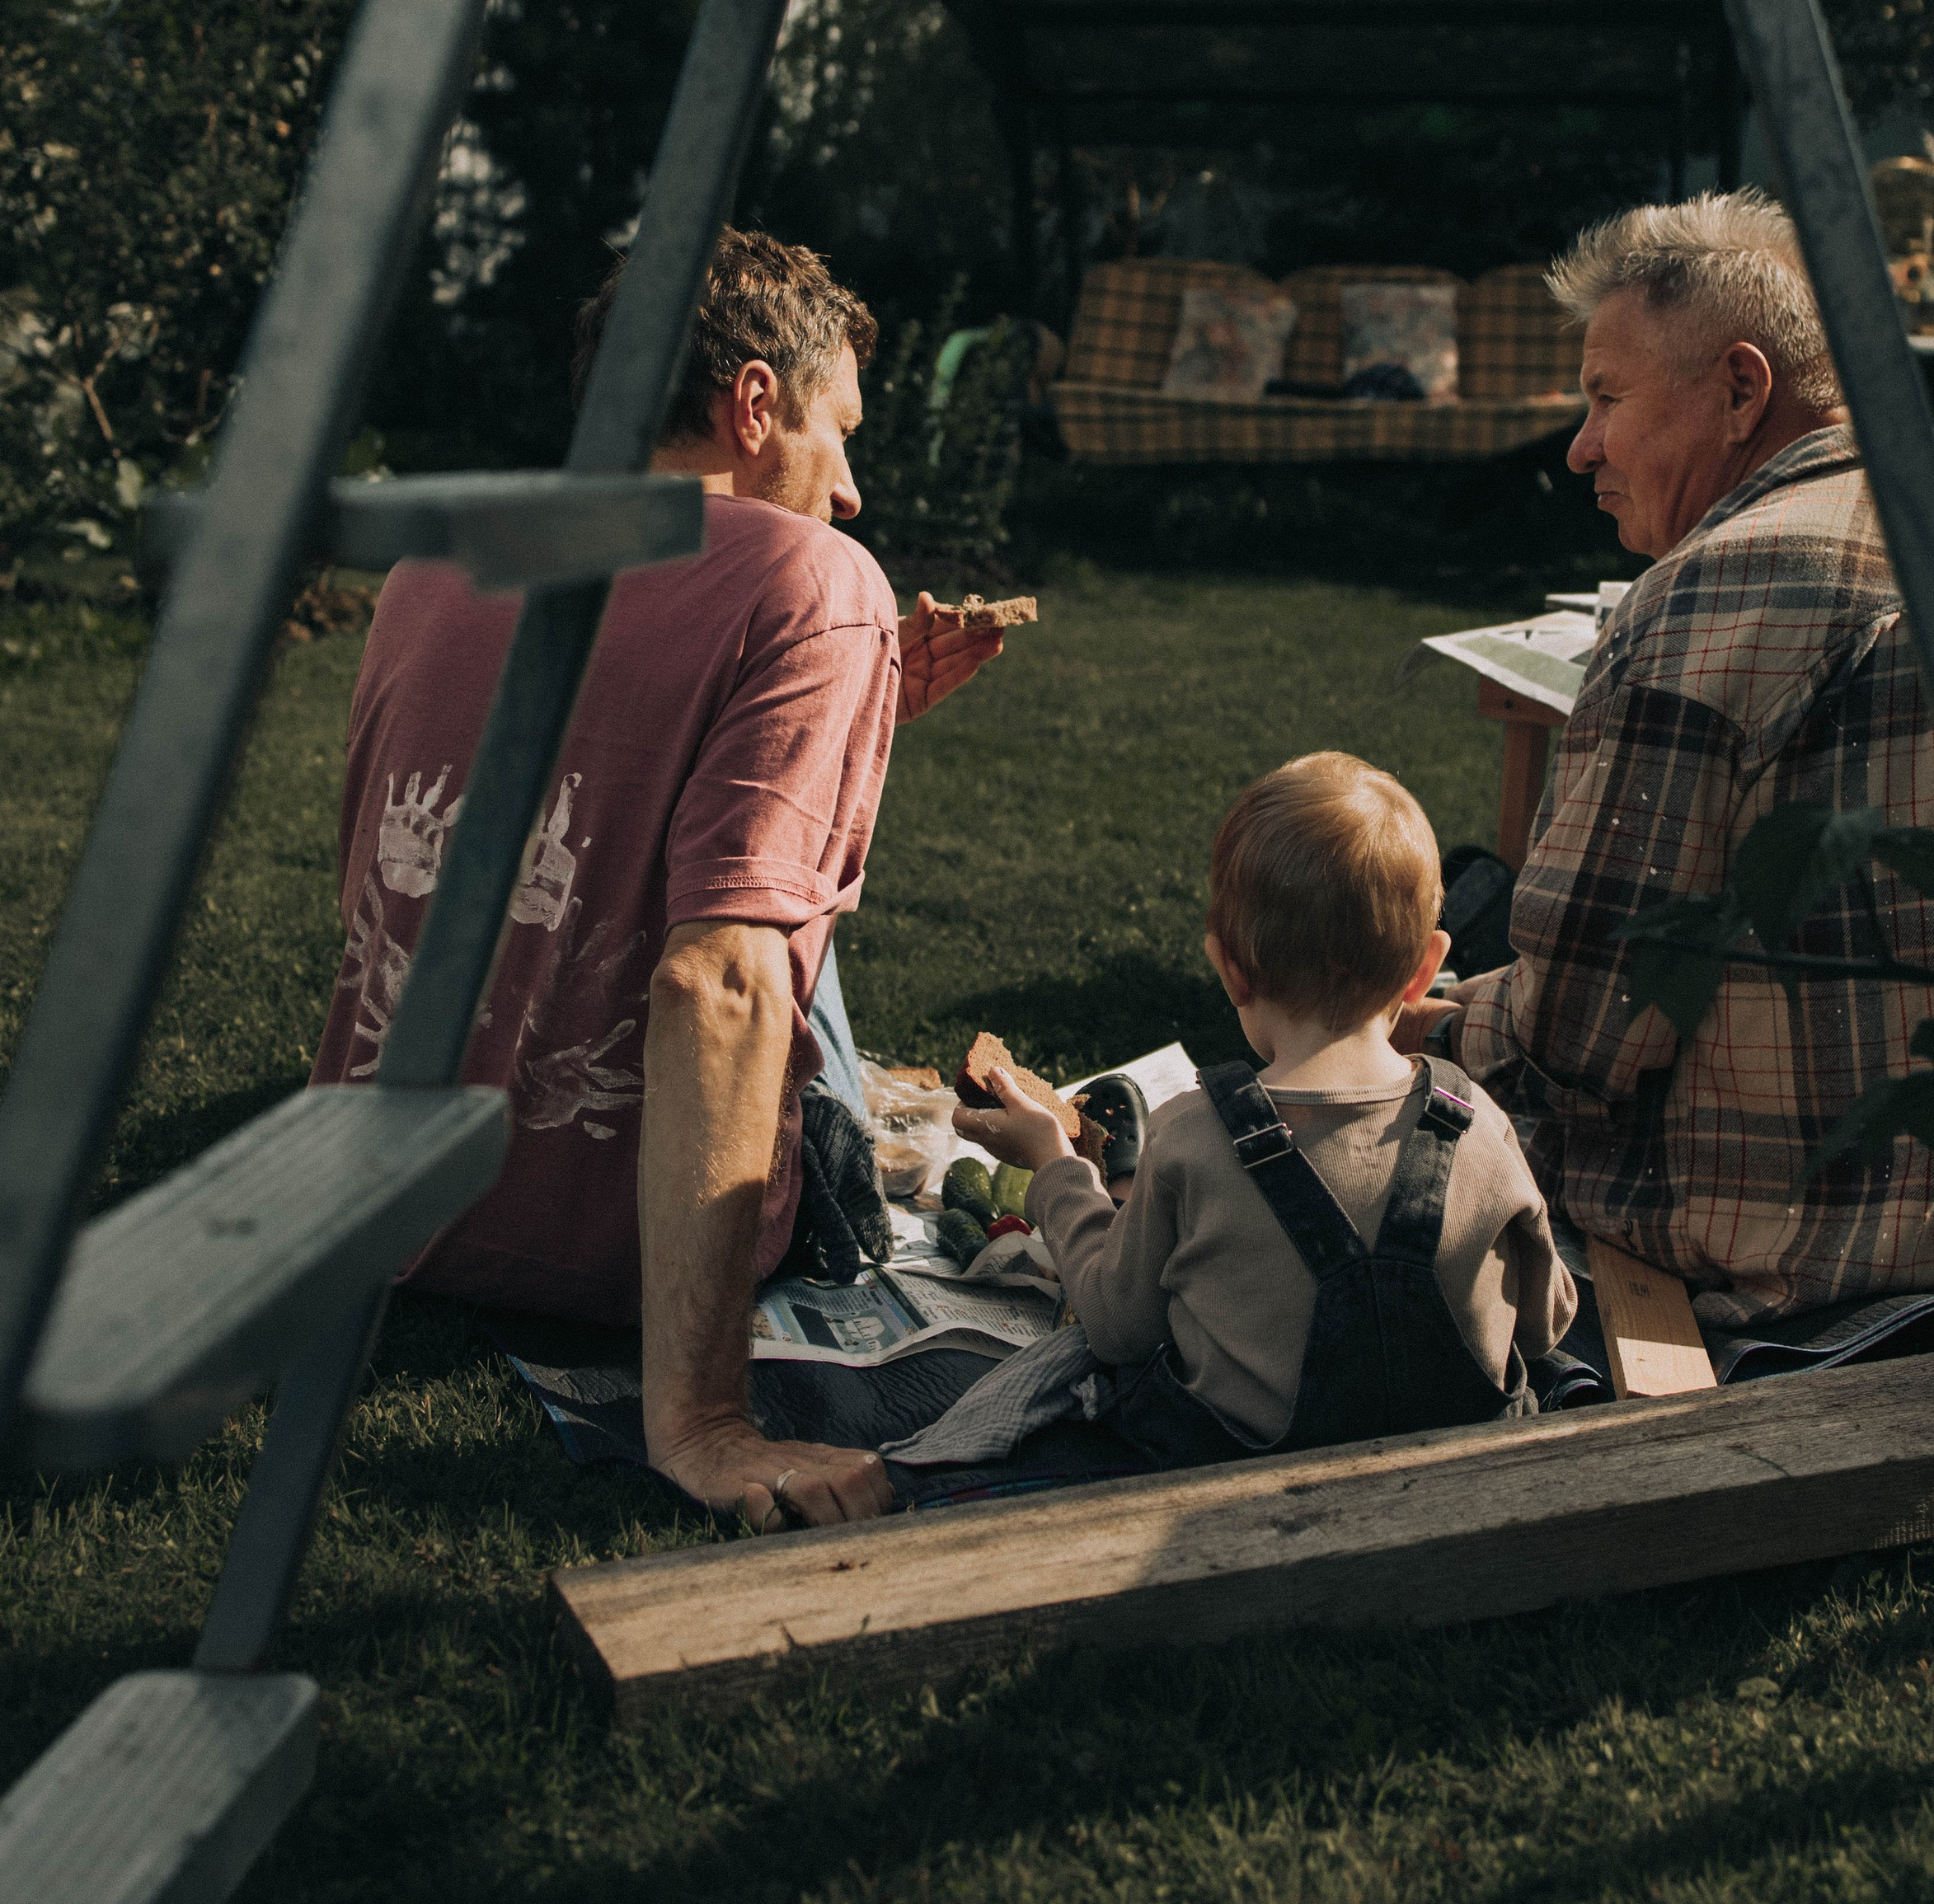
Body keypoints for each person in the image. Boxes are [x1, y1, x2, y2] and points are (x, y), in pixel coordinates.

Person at [309, 228, 1005, 1529]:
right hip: (613, 1246)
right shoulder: (820, 577)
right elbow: (720, 981)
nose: (850, 491)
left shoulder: (444, 551)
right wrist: (698, 1423)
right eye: (838, 434)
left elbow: (528, 798)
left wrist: (862, 711)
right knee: (771, 913)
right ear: (753, 404)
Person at [1397, 189, 1934, 1330]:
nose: (1580, 446)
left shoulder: (1713, 595)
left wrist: (1412, 1026)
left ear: (1741, 388)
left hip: (1785, 1264)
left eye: (1606, 398)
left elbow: (1578, 1038)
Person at [955, 753, 1576, 1460]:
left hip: (1235, 1501)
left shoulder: (1193, 1134)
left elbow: (1115, 1325)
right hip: (1464, 1494)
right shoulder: (1478, 1121)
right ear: (1425, 970)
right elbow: (1545, 1325)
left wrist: (1055, 1168)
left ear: (1230, 970)